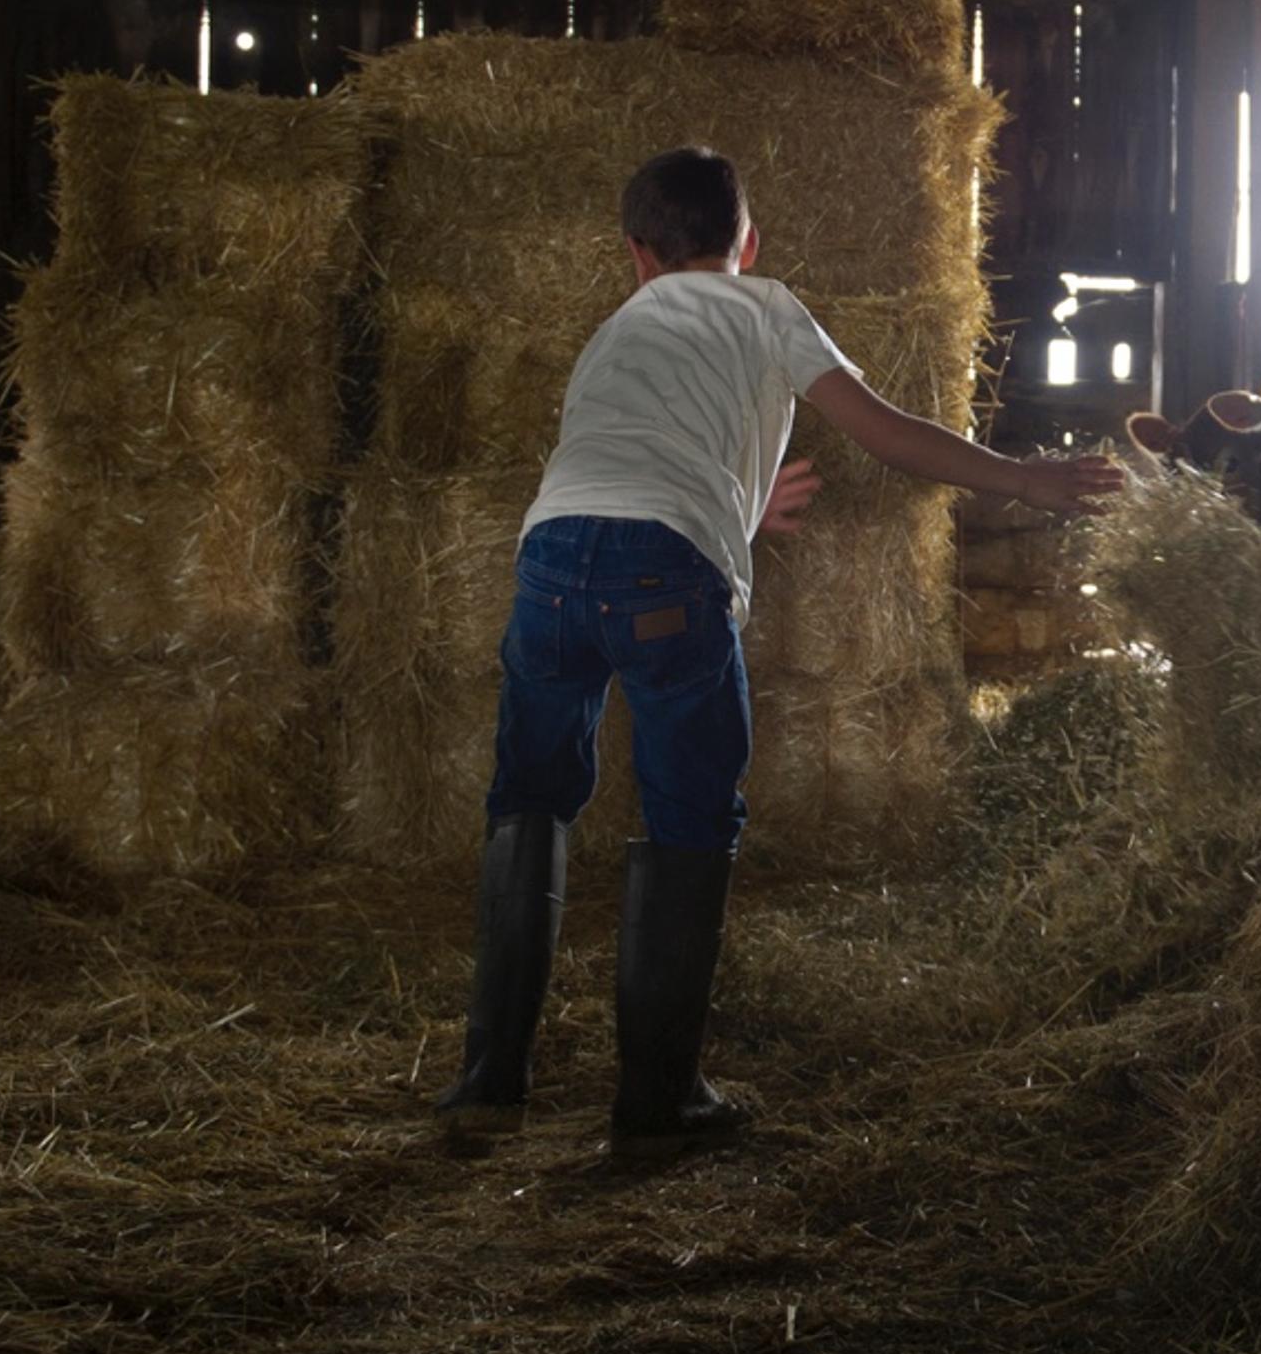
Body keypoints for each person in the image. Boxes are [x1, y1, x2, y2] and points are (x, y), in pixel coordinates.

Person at [440, 144, 1126, 1158]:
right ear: (748, 243)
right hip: (665, 575)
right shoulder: (764, 305)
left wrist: (741, 509)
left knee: (530, 797)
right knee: (690, 813)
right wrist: (1023, 480)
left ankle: (488, 1082)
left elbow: (629, 467)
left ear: (635, 256)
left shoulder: (614, 329)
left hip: (551, 556)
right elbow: (885, 431)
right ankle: (657, 1096)